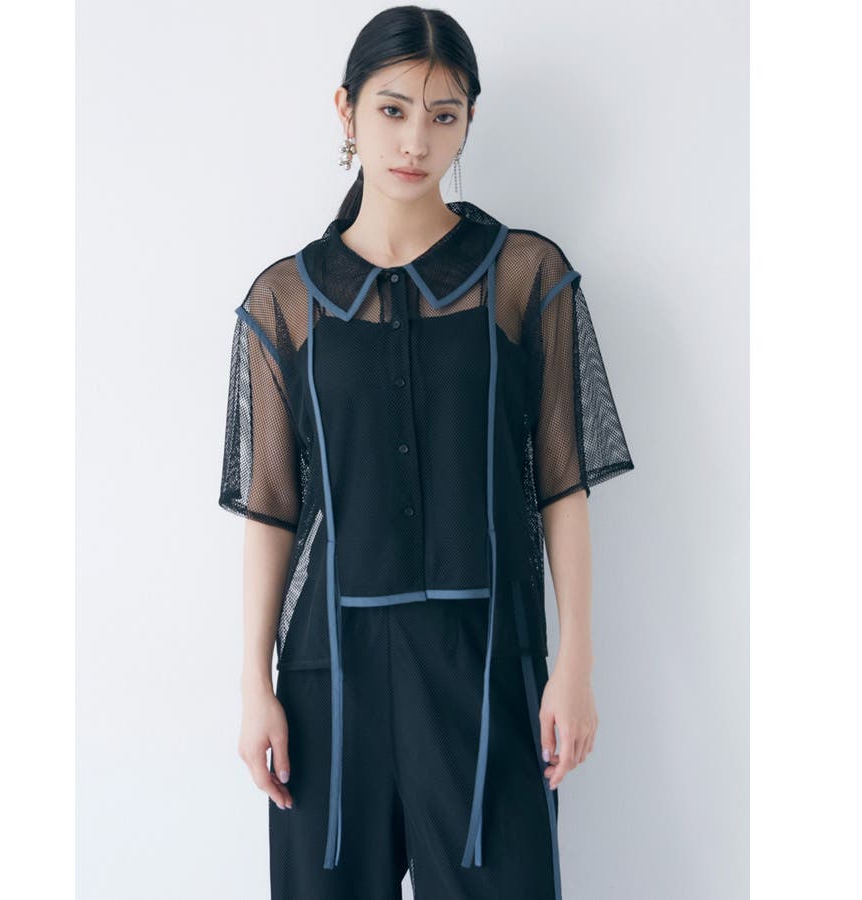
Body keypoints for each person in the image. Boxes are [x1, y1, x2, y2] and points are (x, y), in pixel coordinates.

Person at [218, 6, 635, 899]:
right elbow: (271, 510)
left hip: (488, 664)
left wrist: (575, 666)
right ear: (346, 109)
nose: (416, 140)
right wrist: (255, 686)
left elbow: (562, 487)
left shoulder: (525, 277)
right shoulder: (283, 302)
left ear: (468, 121)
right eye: (393, 109)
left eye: (444, 115)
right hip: (330, 677)